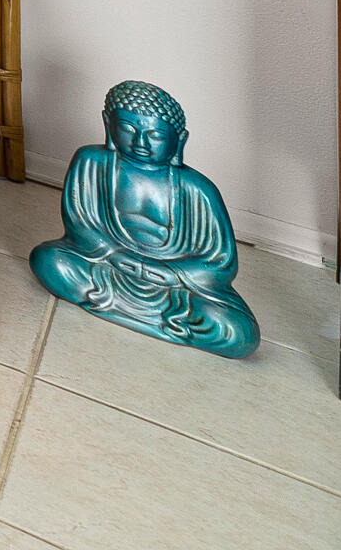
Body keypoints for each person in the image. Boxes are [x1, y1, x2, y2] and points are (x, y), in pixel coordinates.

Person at [29, 80, 258, 357]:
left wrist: (167, 273)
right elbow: (80, 224)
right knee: (48, 260)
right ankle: (161, 323)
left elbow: (219, 263)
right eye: (127, 129)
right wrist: (115, 255)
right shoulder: (91, 163)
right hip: (108, 268)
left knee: (239, 333)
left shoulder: (198, 190)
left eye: (156, 135)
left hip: (174, 290)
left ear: (180, 140)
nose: (140, 143)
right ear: (108, 125)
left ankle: (143, 313)